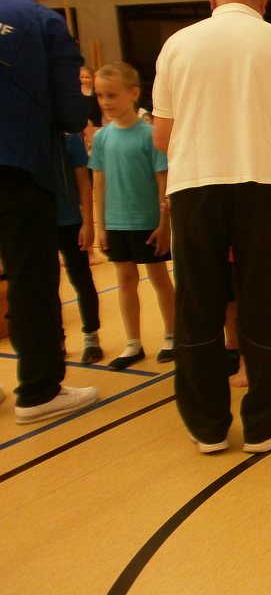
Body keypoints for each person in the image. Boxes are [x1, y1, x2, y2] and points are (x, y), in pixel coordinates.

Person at [153, 0, 271, 454]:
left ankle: (206, 427)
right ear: (264, 1)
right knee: (268, 303)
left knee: (198, 303)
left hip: (194, 187)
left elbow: (162, 137)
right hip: (265, 187)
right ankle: (265, 423)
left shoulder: (177, 44)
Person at [0, 0, 97, 422]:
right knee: (30, 277)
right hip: (18, 167)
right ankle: (38, 390)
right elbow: (71, 112)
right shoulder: (41, 20)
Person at [90, 63, 175, 370]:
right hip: (116, 222)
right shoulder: (102, 137)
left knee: (159, 278)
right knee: (125, 280)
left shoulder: (150, 135)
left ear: (133, 93)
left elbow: (162, 181)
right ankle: (133, 343)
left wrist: (164, 223)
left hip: (147, 222)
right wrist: (101, 226)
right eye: (100, 95)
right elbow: (99, 183)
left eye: (112, 95)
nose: (105, 102)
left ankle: (172, 335)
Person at [57, 133, 103, 363]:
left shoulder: (70, 140)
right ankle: (57, 340)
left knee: (81, 279)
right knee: (46, 286)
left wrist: (87, 223)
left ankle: (91, 337)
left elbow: (84, 182)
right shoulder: (29, 140)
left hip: (70, 222)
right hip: (38, 223)